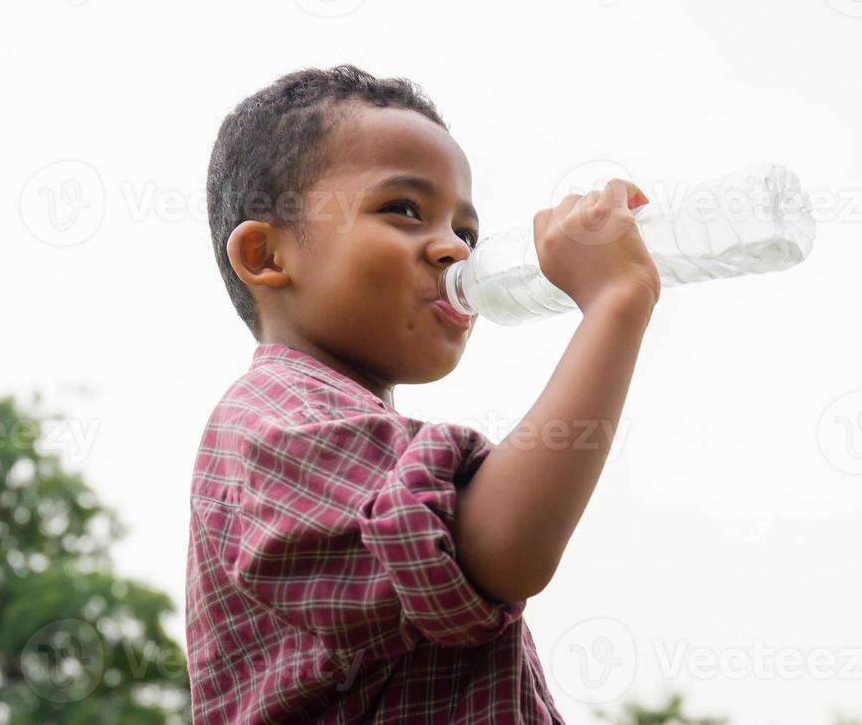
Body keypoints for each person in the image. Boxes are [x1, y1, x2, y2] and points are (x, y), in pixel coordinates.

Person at [186, 64, 660, 723]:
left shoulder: (349, 429)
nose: (453, 251)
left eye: (466, 232)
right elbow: (495, 548)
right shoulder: (275, 415)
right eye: (403, 210)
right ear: (267, 256)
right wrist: (615, 302)